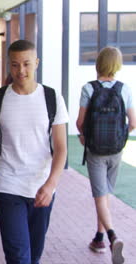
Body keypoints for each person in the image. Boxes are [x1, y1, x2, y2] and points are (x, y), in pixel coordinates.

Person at [0, 40, 68, 264]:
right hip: (8, 186)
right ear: (9, 65)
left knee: (34, 256)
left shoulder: (52, 98)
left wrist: (51, 184)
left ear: (36, 63)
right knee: (19, 257)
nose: (21, 71)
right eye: (15, 65)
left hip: (42, 188)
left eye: (27, 64)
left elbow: (61, 147)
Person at [76, 46, 135, 264]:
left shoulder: (89, 89)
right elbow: (134, 122)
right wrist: (120, 137)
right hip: (116, 151)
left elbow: (80, 122)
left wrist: (83, 136)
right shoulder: (124, 89)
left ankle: (112, 236)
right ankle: (99, 237)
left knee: (100, 196)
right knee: (105, 194)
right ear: (117, 65)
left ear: (98, 63)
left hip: (95, 151)